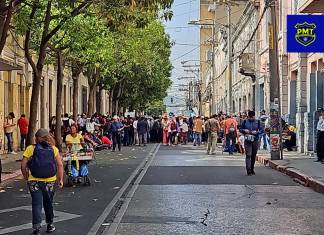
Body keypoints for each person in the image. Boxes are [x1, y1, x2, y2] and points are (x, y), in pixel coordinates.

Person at [20, 128, 63, 235]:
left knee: (36, 204)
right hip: (50, 181)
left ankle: (36, 228)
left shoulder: (30, 148)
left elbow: (23, 165)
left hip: (34, 181)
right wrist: (60, 179)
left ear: (36, 138)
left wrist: (26, 177)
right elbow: (60, 164)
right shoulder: (53, 149)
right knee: (48, 203)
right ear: (48, 137)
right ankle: (50, 225)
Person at [240, 110, 263, 176]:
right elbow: (240, 129)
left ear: (254, 116)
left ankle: (252, 168)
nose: (251, 118)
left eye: (252, 117)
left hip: (255, 140)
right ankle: (248, 170)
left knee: (253, 155)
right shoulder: (244, 121)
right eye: (249, 117)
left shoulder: (258, 122)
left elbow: (262, 130)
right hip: (247, 141)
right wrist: (244, 130)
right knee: (248, 154)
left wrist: (256, 132)